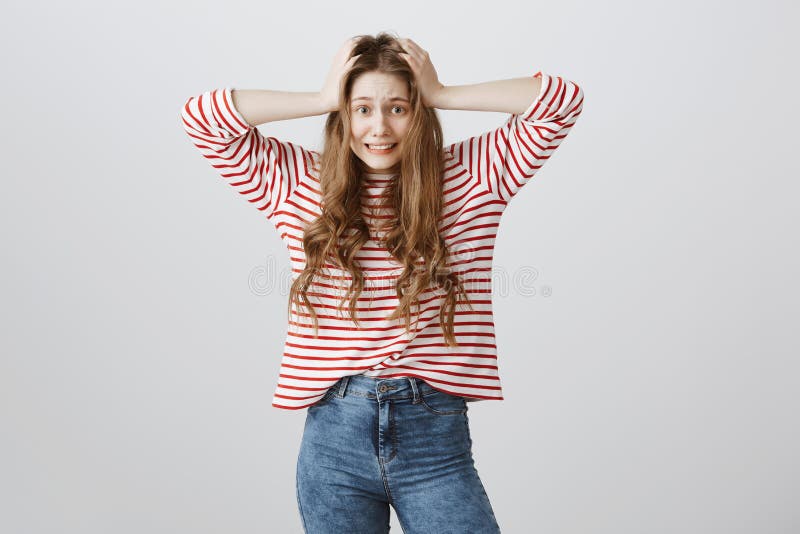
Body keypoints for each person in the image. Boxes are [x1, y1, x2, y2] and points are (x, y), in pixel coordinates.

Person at [180, 32, 584, 534]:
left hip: (435, 440)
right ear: (343, 116)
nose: (379, 127)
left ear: (419, 114)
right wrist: (321, 97)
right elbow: (201, 119)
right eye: (362, 109)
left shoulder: (472, 176)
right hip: (333, 443)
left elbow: (562, 101)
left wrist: (442, 92)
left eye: (398, 108)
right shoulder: (300, 181)